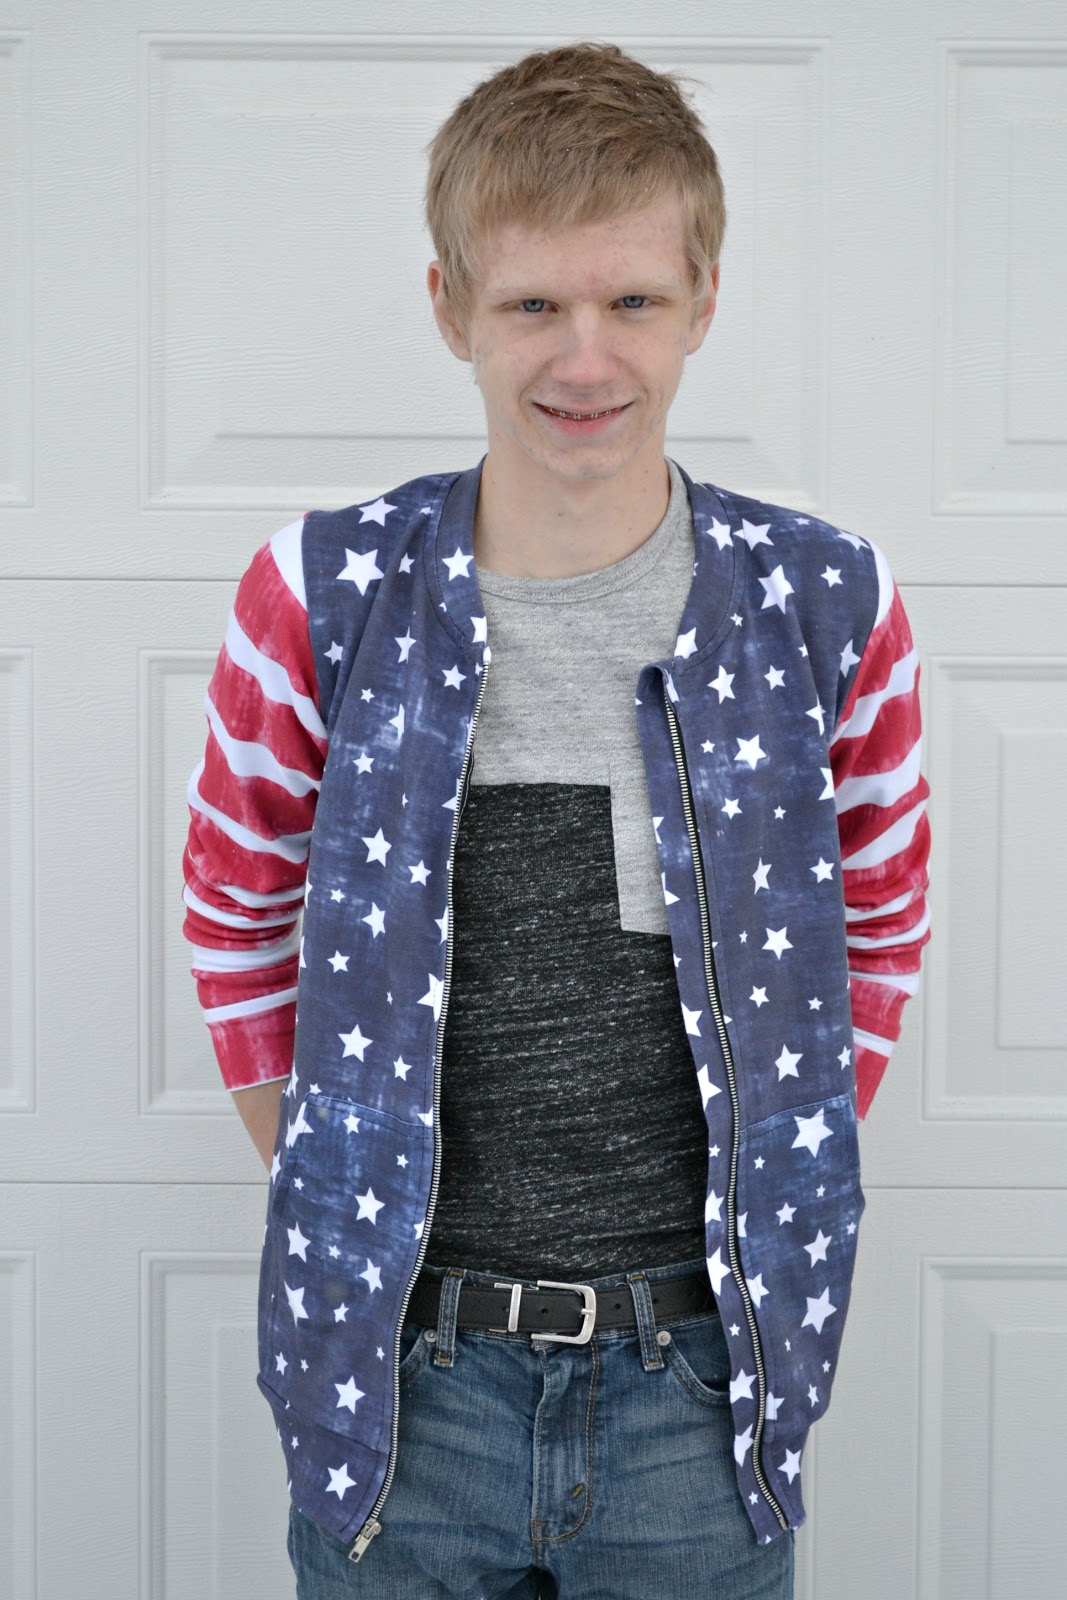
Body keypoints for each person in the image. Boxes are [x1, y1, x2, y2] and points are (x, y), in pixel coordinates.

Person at [182, 40, 931, 1599]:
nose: (585, 359)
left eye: (632, 301)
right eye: (533, 305)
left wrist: (775, 1175)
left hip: (701, 1390)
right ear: (451, 305)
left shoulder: (829, 605)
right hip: (402, 1384)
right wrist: (339, 1191)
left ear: (703, 303)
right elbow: (235, 912)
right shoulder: (318, 596)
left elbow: (878, 923)